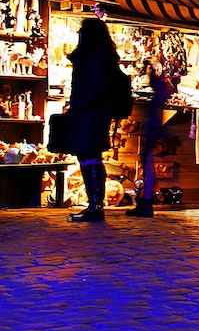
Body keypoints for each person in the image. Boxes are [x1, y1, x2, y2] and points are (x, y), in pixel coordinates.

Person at [65, 18, 121, 222]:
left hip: (90, 112)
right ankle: (94, 204)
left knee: (89, 155)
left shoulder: (95, 57)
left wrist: (79, 106)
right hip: (94, 111)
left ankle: (95, 205)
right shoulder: (101, 56)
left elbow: (95, 88)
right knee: (89, 155)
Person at [126, 59, 174, 218]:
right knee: (147, 165)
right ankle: (145, 203)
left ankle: (146, 203)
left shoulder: (158, 87)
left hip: (153, 128)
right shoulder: (160, 88)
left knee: (148, 164)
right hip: (154, 127)